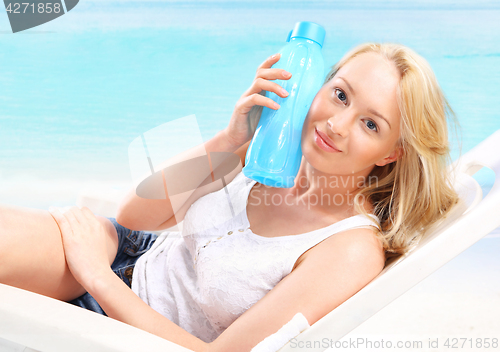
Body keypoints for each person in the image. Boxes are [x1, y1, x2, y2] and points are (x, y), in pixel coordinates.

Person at [0, 42, 459, 352]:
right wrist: (230, 136)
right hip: (124, 255)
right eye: (340, 95)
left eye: (370, 124)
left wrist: (96, 277)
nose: (337, 124)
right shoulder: (270, 149)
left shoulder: (349, 249)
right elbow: (136, 215)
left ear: (393, 153)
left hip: (130, 327)